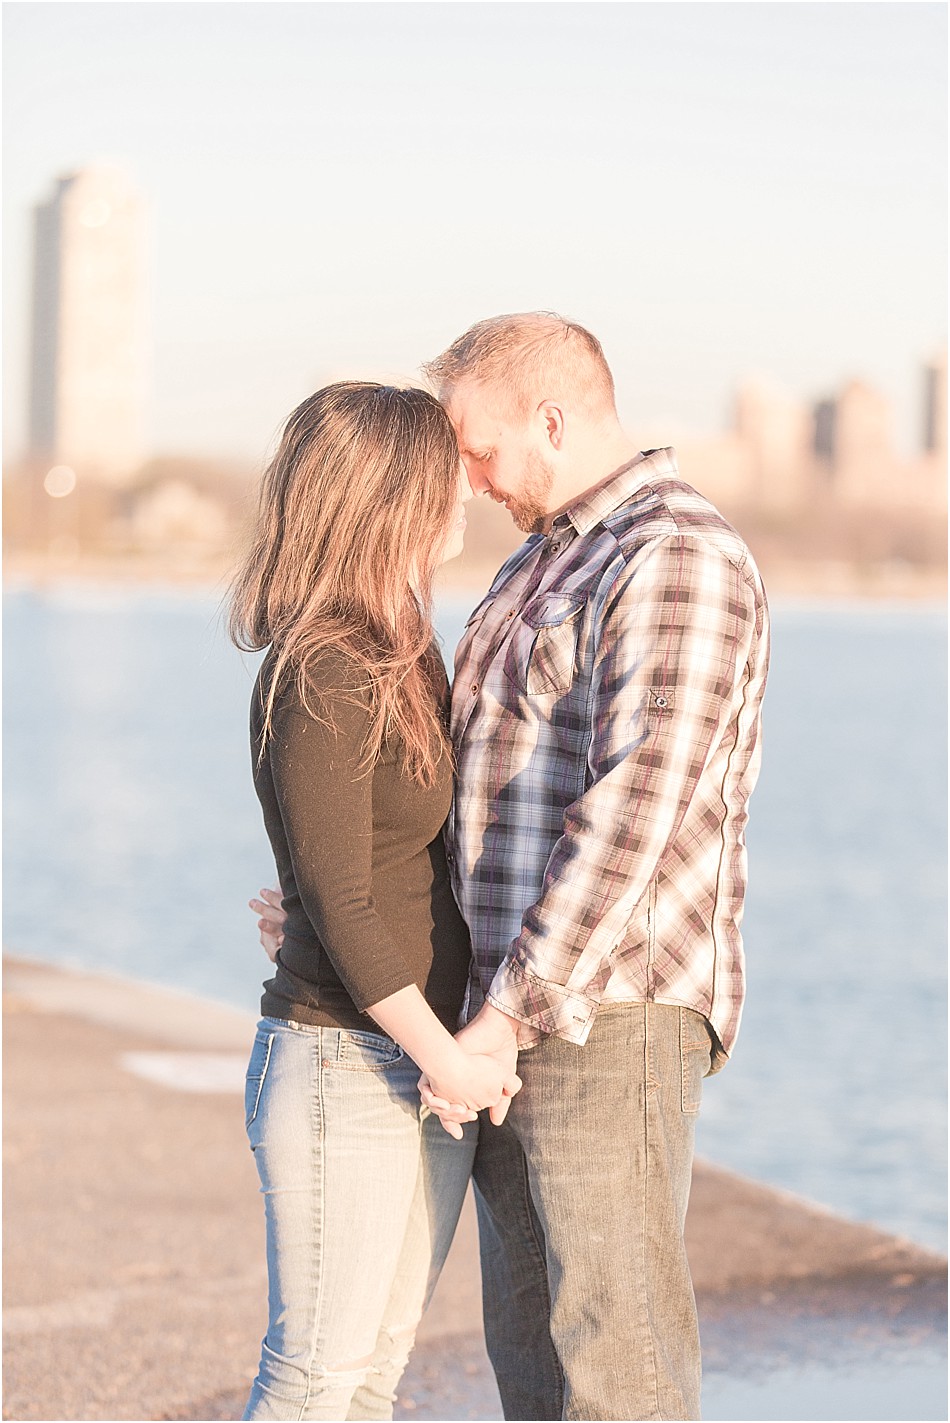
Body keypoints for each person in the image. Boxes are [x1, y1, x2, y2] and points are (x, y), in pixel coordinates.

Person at [256, 314, 771, 1422]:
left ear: (551, 420)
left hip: (601, 1013)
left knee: (613, 1364)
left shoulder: (670, 556)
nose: (471, 478)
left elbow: (633, 813)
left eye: (480, 449)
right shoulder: (541, 563)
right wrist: (341, 908)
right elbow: (448, 800)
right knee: (533, 1365)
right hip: (498, 1021)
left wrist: (494, 1024)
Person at [229, 381, 520, 1422]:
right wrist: (449, 1061)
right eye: (445, 475)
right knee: (314, 1377)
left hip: (416, 1058)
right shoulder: (324, 664)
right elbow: (343, 899)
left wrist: (451, 1051)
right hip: (345, 1063)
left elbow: (386, 866)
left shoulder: (402, 646)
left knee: (370, 1381)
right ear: (390, 494)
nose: (465, 491)